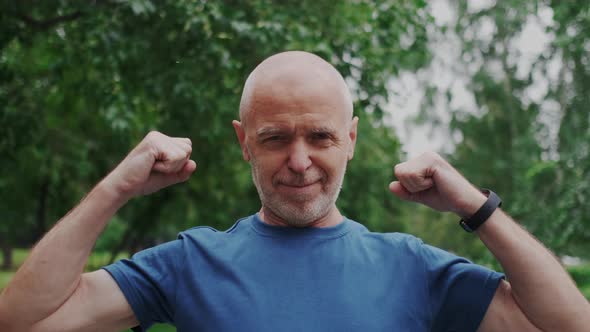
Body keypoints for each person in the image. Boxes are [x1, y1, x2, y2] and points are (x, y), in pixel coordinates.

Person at [0, 51, 588, 332]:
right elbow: (21, 321)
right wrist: (116, 187)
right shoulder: (189, 263)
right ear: (244, 143)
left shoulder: (413, 268)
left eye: (321, 136)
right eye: (277, 137)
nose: (300, 162)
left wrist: (475, 207)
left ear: (351, 139)